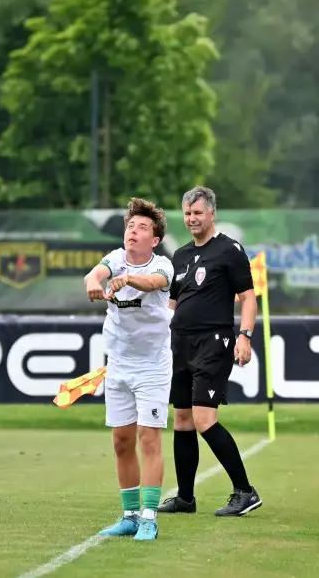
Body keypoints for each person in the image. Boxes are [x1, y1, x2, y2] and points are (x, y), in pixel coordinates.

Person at [158, 186, 262, 517]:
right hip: (180, 343)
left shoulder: (229, 250)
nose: (192, 219)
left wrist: (245, 336)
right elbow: (172, 304)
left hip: (213, 342)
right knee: (182, 420)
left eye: (198, 213)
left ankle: (245, 492)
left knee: (204, 418)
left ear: (212, 214)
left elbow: (247, 297)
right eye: (187, 213)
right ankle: (185, 498)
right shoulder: (181, 255)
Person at [84, 198, 174, 541]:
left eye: (142, 227)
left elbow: (154, 283)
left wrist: (129, 280)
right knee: (122, 441)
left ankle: (149, 518)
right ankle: (130, 516)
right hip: (119, 364)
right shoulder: (115, 258)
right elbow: (95, 273)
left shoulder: (163, 265)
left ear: (154, 239)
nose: (133, 232)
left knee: (148, 439)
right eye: (130, 226)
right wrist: (94, 282)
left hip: (152, 366)